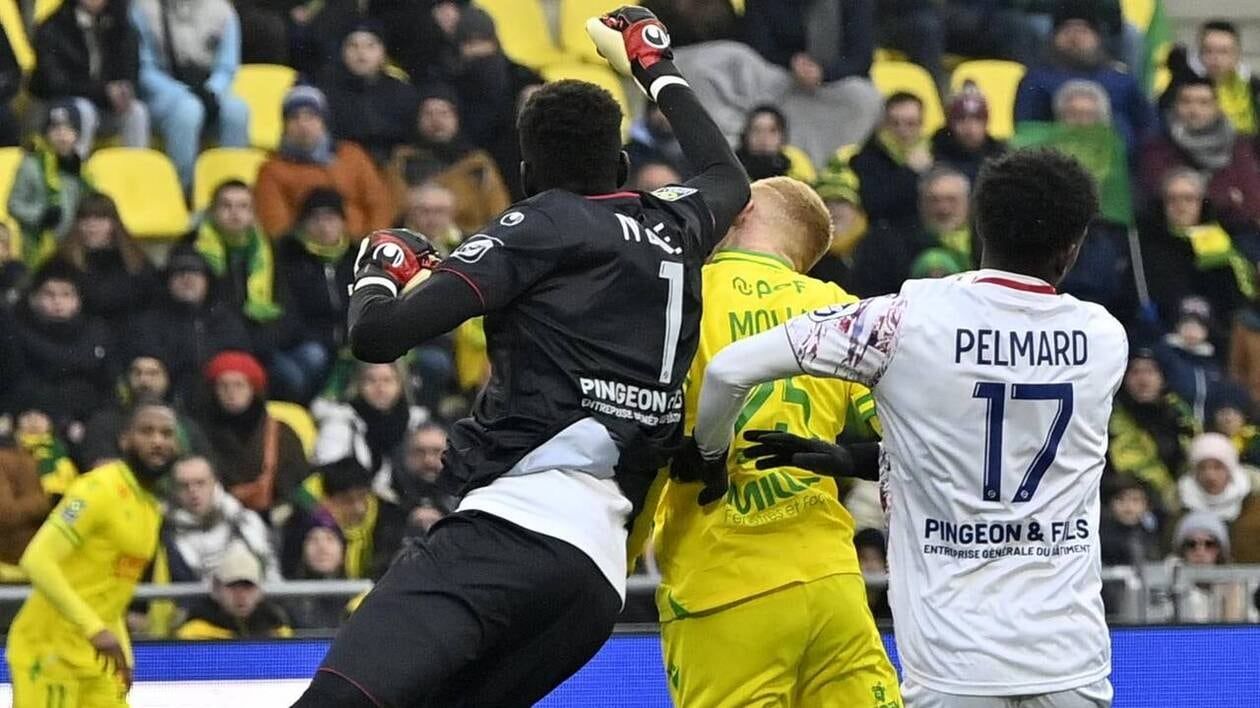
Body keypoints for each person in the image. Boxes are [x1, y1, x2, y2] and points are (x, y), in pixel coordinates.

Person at [293, 7, 750, 706]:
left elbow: (377, 337)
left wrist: (379, 266)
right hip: (593, 584)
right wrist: (653, 65)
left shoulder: (541, 222)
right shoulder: (676, 221)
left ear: (529, 173)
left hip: (508, 535)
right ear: (624, 165)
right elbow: (728, 176)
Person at [687, 148, 1124, 705]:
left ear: (977, 226)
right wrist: (853, 460)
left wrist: (709, 451)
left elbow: (727, 370)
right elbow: (1002, 449)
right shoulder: (1103, 338)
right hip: (1072, 663)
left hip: (952, 669)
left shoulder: (901, 319)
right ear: (1073, 247)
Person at [644, 177, 899, 708]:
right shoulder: (837, 307)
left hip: (722, 583)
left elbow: (634, 434)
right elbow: (911, 434)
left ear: (743, 211)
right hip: (832, 580)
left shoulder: (678, 296)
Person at [6, 404, 178, 708]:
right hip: (49, 651)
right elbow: (36, 559)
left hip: (95, 656)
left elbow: (112, 592)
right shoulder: (98, 489)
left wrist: (124, 649)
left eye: (166, 433)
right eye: (147, 431)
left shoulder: (150, 508)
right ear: (125, 440)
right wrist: (94, 628)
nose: (158, 441)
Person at [130, 0, 250, 191]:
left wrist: (212, 91)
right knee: (188, 109)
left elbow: (227, 67)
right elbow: (144, 68)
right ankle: (183, 191)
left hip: (209, 89)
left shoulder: (223, 11)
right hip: (162, 93)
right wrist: (184, 93)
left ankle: (231, 190)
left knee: (237, 111)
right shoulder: (143, 8)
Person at [1013, 0, 1154, 157]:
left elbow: (1148, 130)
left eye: (1082, 31)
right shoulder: (1037, 81)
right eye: (1067, 31)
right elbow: (1026, 131)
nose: (1075, 38)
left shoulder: (1122, 80)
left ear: (1097, 37)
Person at [255, 85, 393, 238]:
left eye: (310, 116)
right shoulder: (272, 170)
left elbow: (379, 205)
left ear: (323, 122)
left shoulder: (353, 155)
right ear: (285, 126)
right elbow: (277, 226)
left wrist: (374, 247)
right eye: (294, 117)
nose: (303, 124)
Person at [130, 246, 252, 406]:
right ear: (168, 282)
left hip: (219, 404)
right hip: (168, 403)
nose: (187, 279)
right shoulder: (149, 322)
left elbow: (241, 363)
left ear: (207, 281)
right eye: (179, 273)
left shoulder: (226, 320)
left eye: (195, 273)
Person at [385, 83, 512, 235]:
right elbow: (392, 209)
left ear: (457, 118)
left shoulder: (478, 163)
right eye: (428, 114)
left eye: (444, 113)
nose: (436, 121)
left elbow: (500, 214)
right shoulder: (403, 159)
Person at [197, 350, 309, 519]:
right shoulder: (200, 432)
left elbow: (296, 482)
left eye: (239, 385)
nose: (231, 392)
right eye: (223, 385)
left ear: (253, 389)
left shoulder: (280, 432)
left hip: (273, 518)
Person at [1140, 169, 1255, 329]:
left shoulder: (1218, 240)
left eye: (1188, 199)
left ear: (1202, 202)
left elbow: (1234, 296)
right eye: (1172, 199)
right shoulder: (1149, 245)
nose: (1180, 206)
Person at [30, 0, 149, 155]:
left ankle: (135, 171)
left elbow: (130, 70)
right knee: (83, 111)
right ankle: (75, 174)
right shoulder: (53, 27)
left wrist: (123, 90)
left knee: (136, 111)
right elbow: (55, 83)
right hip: (60, 106)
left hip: (103, 106)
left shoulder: (120, 25)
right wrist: (103, 91)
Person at [1140, 76, 1260, 231]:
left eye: (1204, 103)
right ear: (1175, 106)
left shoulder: (1239, 145)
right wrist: (1227, 199)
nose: (1194, 110)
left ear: (1217, 106)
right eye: (1186, 102)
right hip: (1175, 237)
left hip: (1236, 233)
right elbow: (1162, 197)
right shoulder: (1157, 148)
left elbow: (1252, 199)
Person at [273, 188, 357, 403]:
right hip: (306, 342)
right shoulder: (287, 257)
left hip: (353, 342)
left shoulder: (358, 257)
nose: (324, 226)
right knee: (314, 356)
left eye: (330, 218)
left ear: (342, 222)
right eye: (316, 219)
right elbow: (287, 312)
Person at [11, 259, 116, 429]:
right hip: (32, 417)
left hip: (89, 418)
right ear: (34, 298)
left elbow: (108, 386)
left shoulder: (97, 331)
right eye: (49, 294)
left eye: (66, 294)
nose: (58, 302)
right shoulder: (15, 330)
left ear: (78, 300)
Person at [311, 361, 427, 503]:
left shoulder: (417, 424)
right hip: (356, 506)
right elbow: (329, 473)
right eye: (371, 380)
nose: (380, 387)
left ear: (401, 384)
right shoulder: (340, 421)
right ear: (358, 385)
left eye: (387, 380)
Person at [851, 166, 972, 298]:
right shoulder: (890, 245)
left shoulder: (983, 243)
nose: (943, 209)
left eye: (951, 200)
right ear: (920, 203)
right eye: (934, 200)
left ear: (968, 203)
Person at [281, 458, 409, 580]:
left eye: (362, 497)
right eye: (347, 501)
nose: (359, 508)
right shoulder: (303, 526)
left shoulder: (389, 521)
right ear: (327, 501)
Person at [79, 352, 210, 469]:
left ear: (167, 379)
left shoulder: (186, 426)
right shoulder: (104, 423)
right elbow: (101, 468)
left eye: (153, 373)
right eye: (137, 373)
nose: (144, 381)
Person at [316, 19, 419, 166]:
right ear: (342, 51)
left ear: (382, 52)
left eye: (370, 46)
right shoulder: (327, 93)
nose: (361, 53)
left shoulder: (402, 91)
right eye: (353, 46)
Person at [162, 455, 279, 583]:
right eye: (184, 486)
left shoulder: (245, 521)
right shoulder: (164, 532)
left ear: (215, 483)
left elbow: (271, 574)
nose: (193, 491)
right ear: (174, 490)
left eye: (200, 483)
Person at [1108, 349, 1198, 514]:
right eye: (1135, 372)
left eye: (1150, 371)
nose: (1143, 379)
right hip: (1127, 499)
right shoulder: (1111, 416)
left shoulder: (1178, 412)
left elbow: (1193, 454)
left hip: (1179, 496)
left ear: (1162, 379)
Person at [55, 193, 158, 329]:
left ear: (114, 223)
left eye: (100, 218)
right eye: (85, 218)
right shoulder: (61, 263)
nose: (92, 225)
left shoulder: (137, 262)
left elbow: (151, 307)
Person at [7, 101, 91, 266]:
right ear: (45, 133)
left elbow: (92, 198)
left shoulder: (81, 169)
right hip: (39, 245)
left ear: (77, 134)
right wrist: (40, 216)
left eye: (68, 129)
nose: (62, 135)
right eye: (55, 129)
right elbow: (14, 204)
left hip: (75, 244)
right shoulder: (31, 165)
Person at [175, 540, 293, 639]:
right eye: (232, 586)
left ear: (260, 591)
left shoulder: (278, 631)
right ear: (216, 589)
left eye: (248, 586)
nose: (241, 595)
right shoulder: (194, 635)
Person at [852, 92, 934, 233]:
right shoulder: (866, 159)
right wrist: (909, 172)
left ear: (921, 124)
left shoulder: (934, 154)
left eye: (911, 124)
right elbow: (874, 205)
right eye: (895, 123)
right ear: (884, 124)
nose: (903, 131)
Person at [1195, 20, 1259, 143]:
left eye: (1223, 52)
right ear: (1199, 53)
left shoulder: (1253, 88)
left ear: (1237, 55)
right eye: (1209, 51)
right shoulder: (1183, 89)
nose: (1216, 58)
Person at [281, 515, 349, 629]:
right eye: (313, 540)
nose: (322, 547)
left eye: (330, 539)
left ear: (343, 552)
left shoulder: (358, 598)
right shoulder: (287, 600)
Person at [932, 85, 1006, 184]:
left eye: (977, 119)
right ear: (949, 123)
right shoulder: (932, 154)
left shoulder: (1000, 157)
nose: (969, 127)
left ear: (986, 122)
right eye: (960, 119)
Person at [0, 439, 53, 566]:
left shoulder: (25, 461)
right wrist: (46, 503)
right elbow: (6, 514)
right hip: (15, 554)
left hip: (29, 550)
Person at [734, 105, 816, 182]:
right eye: (756, 130)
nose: (764, 137)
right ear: (745, 135)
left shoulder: (795, 163)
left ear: (783, 137)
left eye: (772, 131)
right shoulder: (731, 166)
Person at [1099, 475, 1162, 567]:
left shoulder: (1151, 535)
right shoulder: (1099, 537)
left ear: (1146, 505)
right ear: (1110, 503)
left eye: (1135, 500)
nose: (1128, 507)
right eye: (1120, 499)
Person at [399, 182, 462, 256]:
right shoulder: (398, 244)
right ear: (411, 213)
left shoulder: (467, 245)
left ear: (452, 213)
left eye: (439, 211)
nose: (432, 217)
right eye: (424, 211)